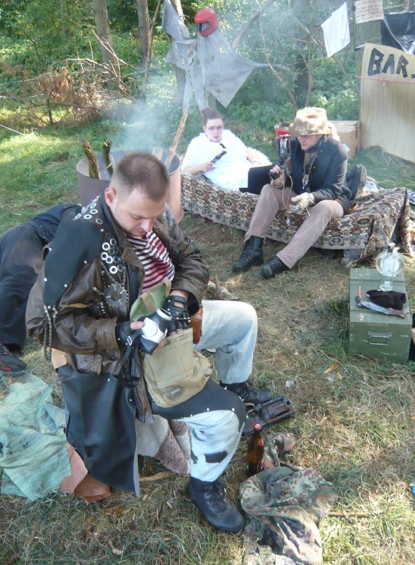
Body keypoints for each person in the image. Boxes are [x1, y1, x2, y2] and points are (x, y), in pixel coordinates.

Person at [26, 152, 272, 534]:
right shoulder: (79, 241)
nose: (146, 228)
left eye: (154, 217)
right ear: (111, 197)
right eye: (137, 217)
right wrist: (120, 332)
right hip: (129, 354)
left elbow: (192, 259)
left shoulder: (155, 215)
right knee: (227, 415)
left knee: (244, 319)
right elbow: (41, 324)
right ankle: (204, 486)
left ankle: (236, 383)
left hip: (171, 319)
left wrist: (178, 301)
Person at [232, 107, 352, 279]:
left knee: (324, 207)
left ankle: (284, 260)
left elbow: (333, 189)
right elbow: (293, 177)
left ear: (320, 133)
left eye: (306, 135)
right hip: (301, 193)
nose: (301, 138)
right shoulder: (296, 145)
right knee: (268, 190)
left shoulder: (337, 151)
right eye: (299, 134)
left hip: (332, 200)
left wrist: (310, 197)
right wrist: (280, 181)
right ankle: (253, 249)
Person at [0, 204, 80, 375]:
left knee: (17, 285)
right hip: (26, 238)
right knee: (18, 279)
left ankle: (8, 347)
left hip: (21, 243)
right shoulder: (79, 212)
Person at [181, 108, 253, 191]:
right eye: (211, 128)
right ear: (205, 128)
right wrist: (200, 167)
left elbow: (244, 150)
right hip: (229, 179)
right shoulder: (197, 144)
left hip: (246, 170)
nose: (216, 132)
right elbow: (185, 170)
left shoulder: (228, 135)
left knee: (264, 173)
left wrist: (249, 156)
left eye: (219, 128)